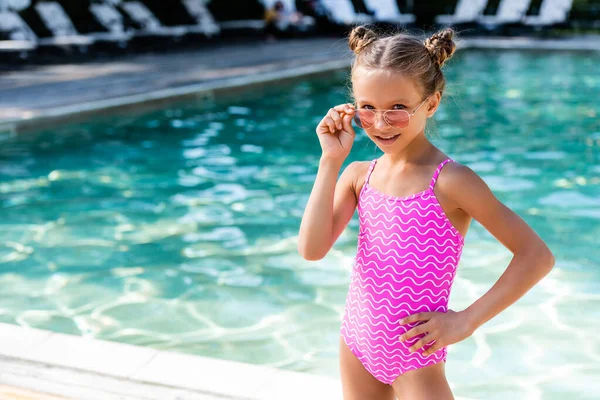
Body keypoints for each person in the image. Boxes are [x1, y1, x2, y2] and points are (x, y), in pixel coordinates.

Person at [297, 25, 555, 400]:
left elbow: (537, 257)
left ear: (431, 104)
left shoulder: (450, 181)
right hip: (356, 341)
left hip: (415, 356)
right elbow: (311, 249)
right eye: (368, 109)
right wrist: (329, 161)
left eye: (398, 109)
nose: (381, 124)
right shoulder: (357, 176)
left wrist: (465, 321)